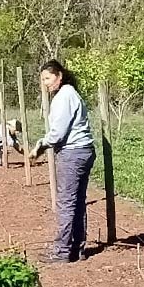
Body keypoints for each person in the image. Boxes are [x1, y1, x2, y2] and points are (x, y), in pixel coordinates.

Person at [32, 60, 95, 264]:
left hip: (72, 154)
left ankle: (62, 252)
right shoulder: (71, 93)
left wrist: (41, 145)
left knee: (67, 203)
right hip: (84, 150)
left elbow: (57, 133)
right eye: (43, 80)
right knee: (77, 202)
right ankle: (78, 248)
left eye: (48, 78)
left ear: (59, 75)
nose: (46, 83)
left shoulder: (63, 96)